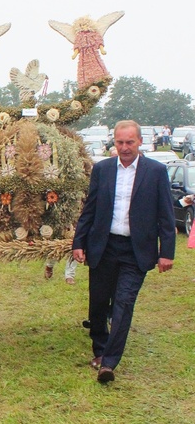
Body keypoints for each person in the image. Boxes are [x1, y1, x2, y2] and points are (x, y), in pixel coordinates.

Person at [72, 120, 175, 383]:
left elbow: (166, 214)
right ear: (113, 143)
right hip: (103, 247)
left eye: (130, 142)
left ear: (140, 142)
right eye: (120, 142)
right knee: (98, 302)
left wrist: (167, 252)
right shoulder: (103, 169)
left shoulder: (155, 171)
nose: (125, 147)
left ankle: (108, 362)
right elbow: (90, 210)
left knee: (123, 303)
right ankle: (99, 346)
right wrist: (79, 243)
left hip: (136, 251)